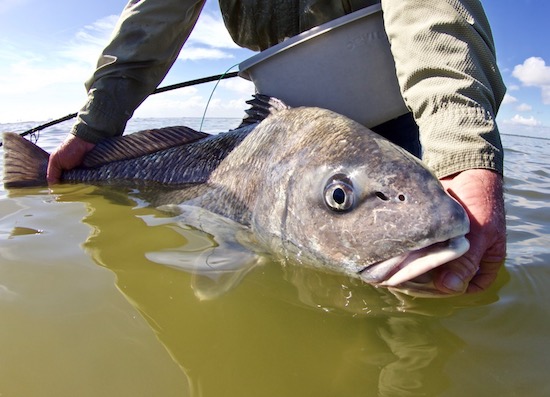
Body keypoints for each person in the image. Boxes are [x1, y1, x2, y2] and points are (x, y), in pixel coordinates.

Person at [47, 0, 507, 295]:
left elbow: (430, 11)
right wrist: (94, 127)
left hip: (392, 92)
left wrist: (464, 152)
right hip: (278, 119)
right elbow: (155, 16)